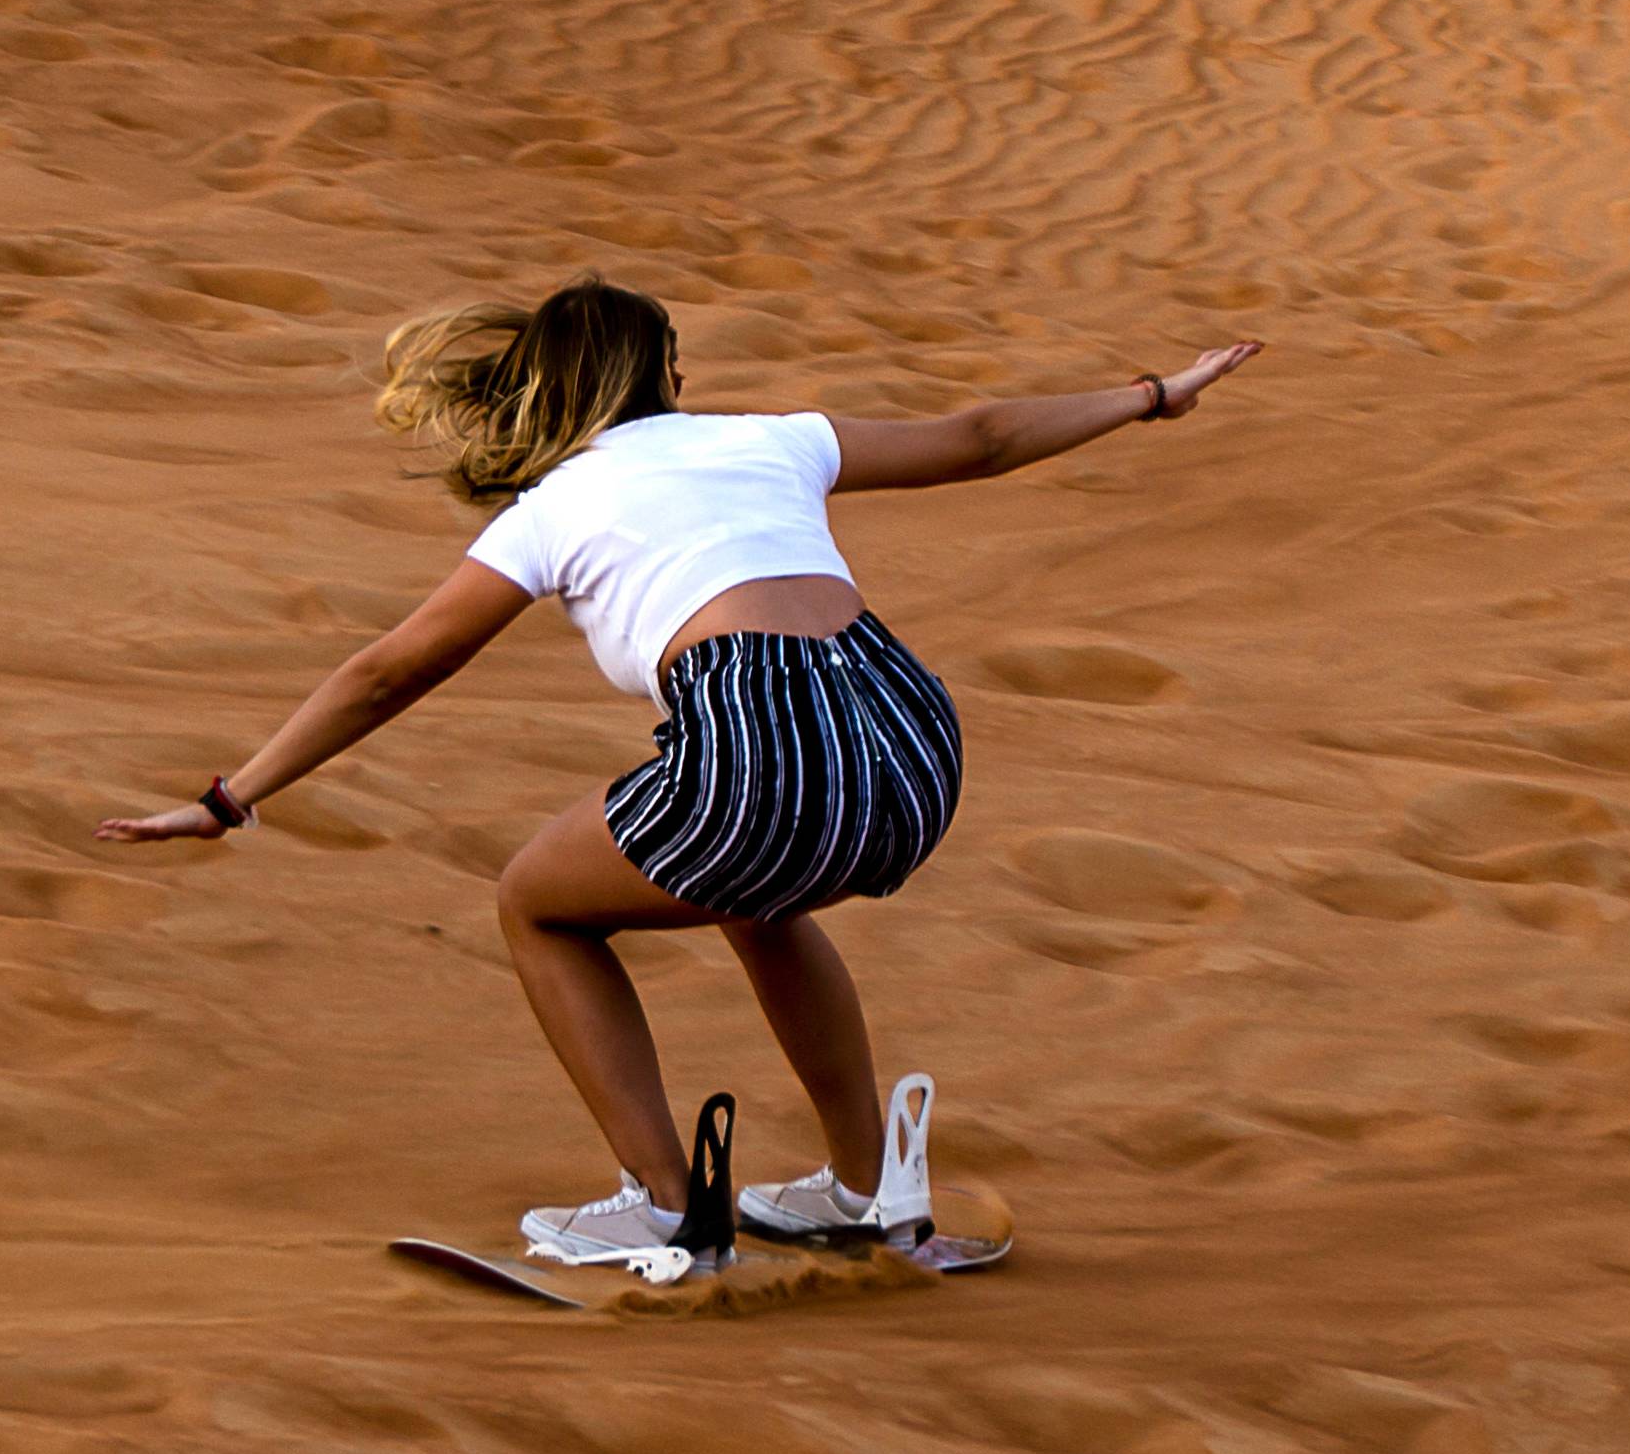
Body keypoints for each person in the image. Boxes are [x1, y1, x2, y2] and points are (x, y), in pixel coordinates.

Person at [99, 277, 1266, 1261]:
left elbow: (388, 669)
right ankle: (866, 1191)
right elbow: (981, 436)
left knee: (534, 902)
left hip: (767, 739)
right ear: (664, 369)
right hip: (911, 737)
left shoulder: (552, 507)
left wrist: (228, 796)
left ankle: (661, 1203)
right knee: (757, 899)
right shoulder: (766, 436)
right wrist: (1153, 395)